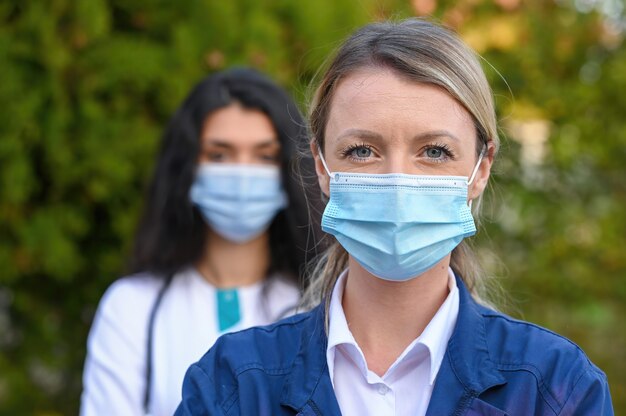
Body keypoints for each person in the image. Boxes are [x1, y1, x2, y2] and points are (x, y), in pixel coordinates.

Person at [175, 19, 614, 416]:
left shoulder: (556, 389)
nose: (398, 181)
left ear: (481, 168)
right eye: (362, 151)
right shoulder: (231, 384)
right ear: (321, 166)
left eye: (435, 152)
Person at [80, 68, 322, 416]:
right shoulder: (132, 307)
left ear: (291, 170)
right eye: (220, 155)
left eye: (264, 156)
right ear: (187, 169)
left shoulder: (321, 306)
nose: (242, 174)